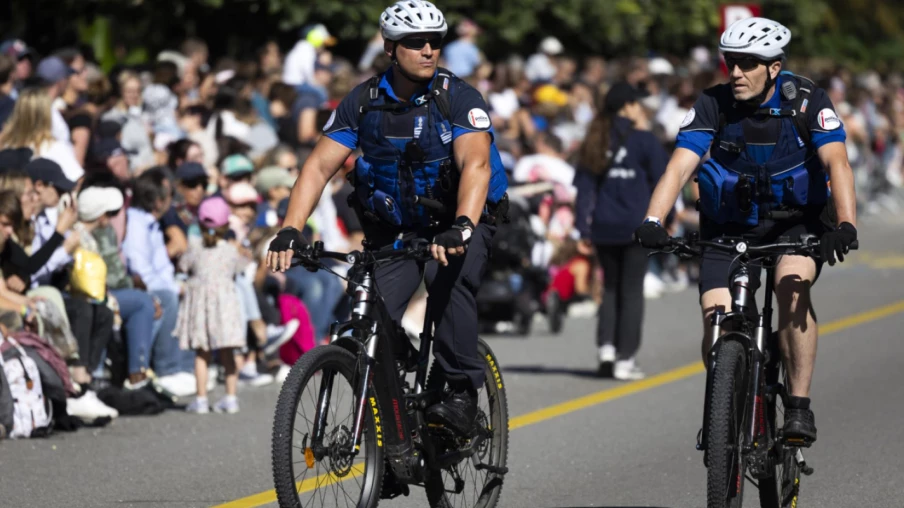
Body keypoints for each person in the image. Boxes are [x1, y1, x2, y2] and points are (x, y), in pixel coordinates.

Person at [267, 0, 509, 434]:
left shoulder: (458, 97)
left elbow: (476, 164)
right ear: (389, 48)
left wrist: (464, 226)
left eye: (435, 41)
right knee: (371, 309)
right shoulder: (362, 101)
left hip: (462, 219)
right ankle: (393, 426)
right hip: (399, 227)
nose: (428, 50)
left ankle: (460, 393)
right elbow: (319, 167)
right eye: (415, 43)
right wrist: (290, 229)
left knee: (444, 281)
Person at [634, 17, 858, 444]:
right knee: (715, 319)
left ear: (774, 67)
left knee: (792, 287)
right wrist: (652, 219)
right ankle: (729, 408)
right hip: (728, 227)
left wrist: (845, 223)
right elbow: (680, 164)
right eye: (730, 62)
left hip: (796, 224)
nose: (735, 72)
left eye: (748, 63)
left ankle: (797, 407)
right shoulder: (712, 103)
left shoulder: (806, 100)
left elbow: (837, 161)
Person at [574, 81, 669, 380]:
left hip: (603, 225)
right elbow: (663, 182)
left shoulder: (595, 139)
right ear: (628, 107)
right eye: (637, 103)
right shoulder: (645, 140)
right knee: (631, 292)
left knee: (611, 289)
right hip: (636, 226)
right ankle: (625, 359)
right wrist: (668, 217)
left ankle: (606, 350)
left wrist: (582, 228)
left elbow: (584, 188)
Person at [176, 197, 246, 414]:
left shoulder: (195, 248)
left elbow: (183, 265)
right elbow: (240, 268)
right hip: (224, 307)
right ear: (226, 225)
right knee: (228, 352)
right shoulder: (230, 250)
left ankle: (201, 399)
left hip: (201, 307)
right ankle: (231, 397)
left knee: (202, 353)